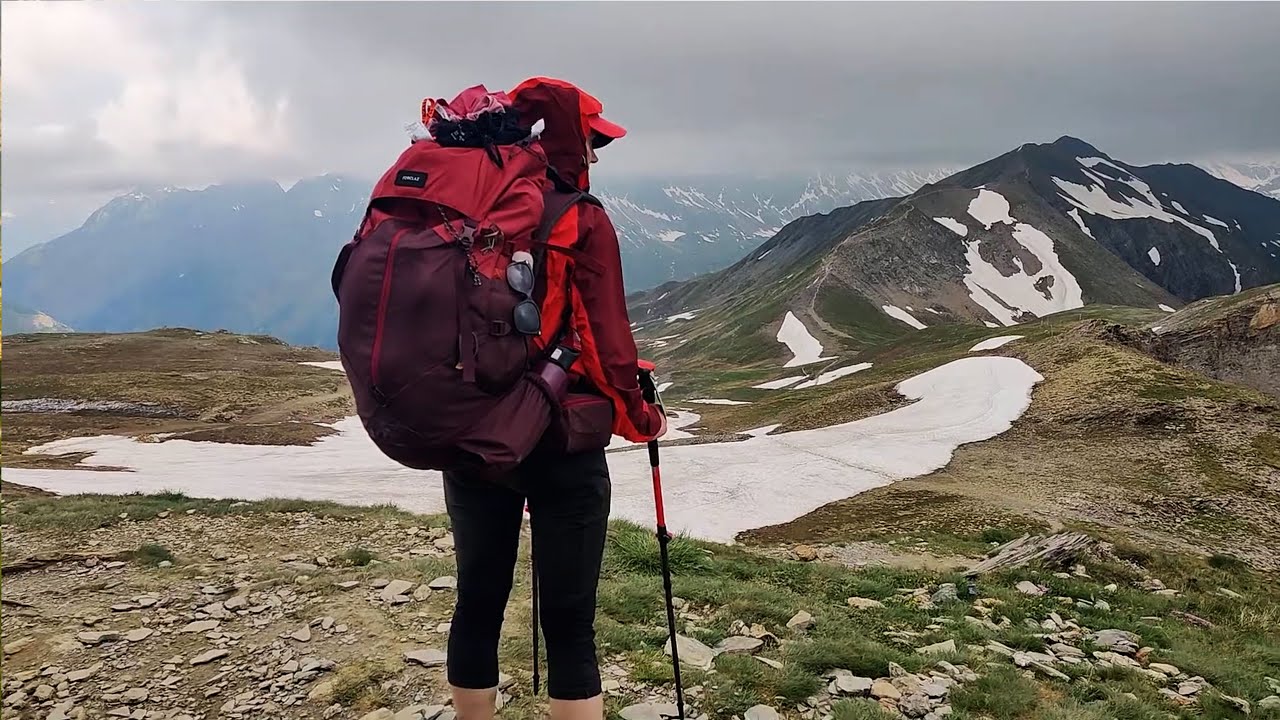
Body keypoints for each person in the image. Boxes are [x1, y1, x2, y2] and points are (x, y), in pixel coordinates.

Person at [443, 76, 667, 720]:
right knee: (570, 621)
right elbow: (604, 342)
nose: (596, 155)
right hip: (559, 439)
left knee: (478, 600)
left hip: (473, 432)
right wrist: (639, 417)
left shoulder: (464, 209)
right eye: (593, 140)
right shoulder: (577, 214)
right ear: (562, 140)